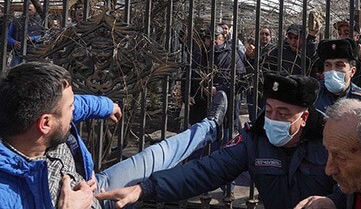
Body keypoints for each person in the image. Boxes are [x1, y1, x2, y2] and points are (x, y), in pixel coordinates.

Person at [0, 62, 227, 208]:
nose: (75, 110)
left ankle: (210, 126)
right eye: (70, 108)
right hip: (97, 203)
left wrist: (107, 106)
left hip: (97, 187)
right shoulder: (6, 196)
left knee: (162, 151)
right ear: (45, 123)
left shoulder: (26, 118)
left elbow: (79, 105)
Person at [95, 73, 336, 208]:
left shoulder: (331, 140)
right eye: (269, 109)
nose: (272, 119)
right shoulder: (254, 139)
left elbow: (360, 185)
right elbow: (206, 171)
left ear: (304, 117)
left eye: (283, 114)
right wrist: (145, 188)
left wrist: (332, 202)